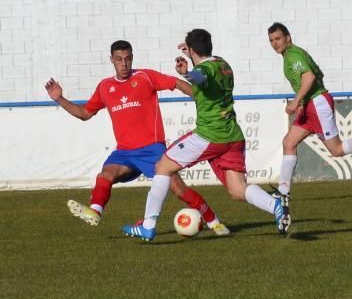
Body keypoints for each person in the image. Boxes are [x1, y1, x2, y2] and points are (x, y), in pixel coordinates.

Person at [45, 40, 229, 235]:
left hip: (152, 149)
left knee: (179, 189)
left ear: (132, 58)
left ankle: (214, 222)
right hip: (124, 153)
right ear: (111, 60)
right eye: (118, 59)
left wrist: (203, 98)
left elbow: (177, 83)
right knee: (105, 175)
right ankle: (95, 211)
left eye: (127, 59)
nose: (124, 64)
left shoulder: (145, 77)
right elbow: (84, 113)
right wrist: (59, 99)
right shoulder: (105, 87)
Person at [122, 29, 289, 241]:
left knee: (163, 166)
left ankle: (148, 225)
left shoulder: (204, 70)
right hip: (233, 136)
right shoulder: (223, 64)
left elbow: (202, 77)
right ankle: (275, 205)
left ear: (191, 50)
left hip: (210, 135)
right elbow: (207, 75)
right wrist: (192, 61)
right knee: (238, 189)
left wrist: (187, 74)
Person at [267, 22, 352, 223]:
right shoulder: (293, 55)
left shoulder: (293, 55)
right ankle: (283, 193)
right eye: (271, 40)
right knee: (289, 142)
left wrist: (297, 100)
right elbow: (318, 73)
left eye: (278, 38)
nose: (274, 43)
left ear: (288, 37)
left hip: (316, 104)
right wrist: (303, 100)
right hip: (310, 104)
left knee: (337, 150)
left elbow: (310, 76)